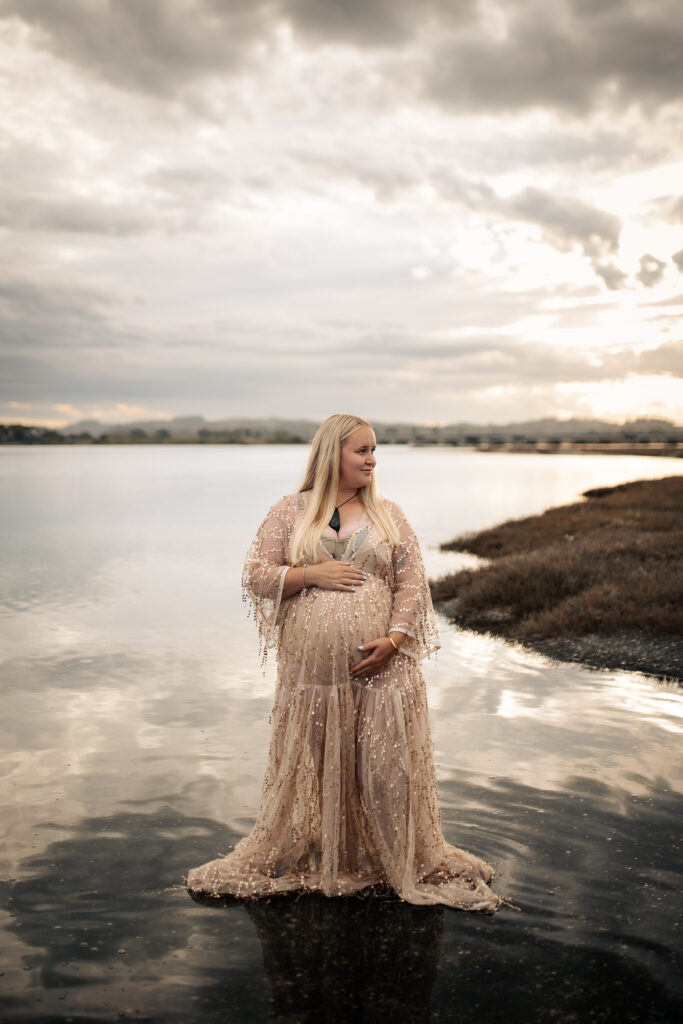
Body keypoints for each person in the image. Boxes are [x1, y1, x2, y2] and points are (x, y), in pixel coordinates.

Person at [186, 414, 501, 912]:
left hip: (382, 669)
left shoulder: (388, 514)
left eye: (374, 450)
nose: (373, 459)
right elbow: (256, 574)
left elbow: (413, 584)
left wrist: (395, 640)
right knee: (321, 763)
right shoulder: (289, 512)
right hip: (312, 677)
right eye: (362, 450)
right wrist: (311, 573)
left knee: (383, 766)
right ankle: (338, 853)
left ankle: (394, 856)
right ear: (332, 453)